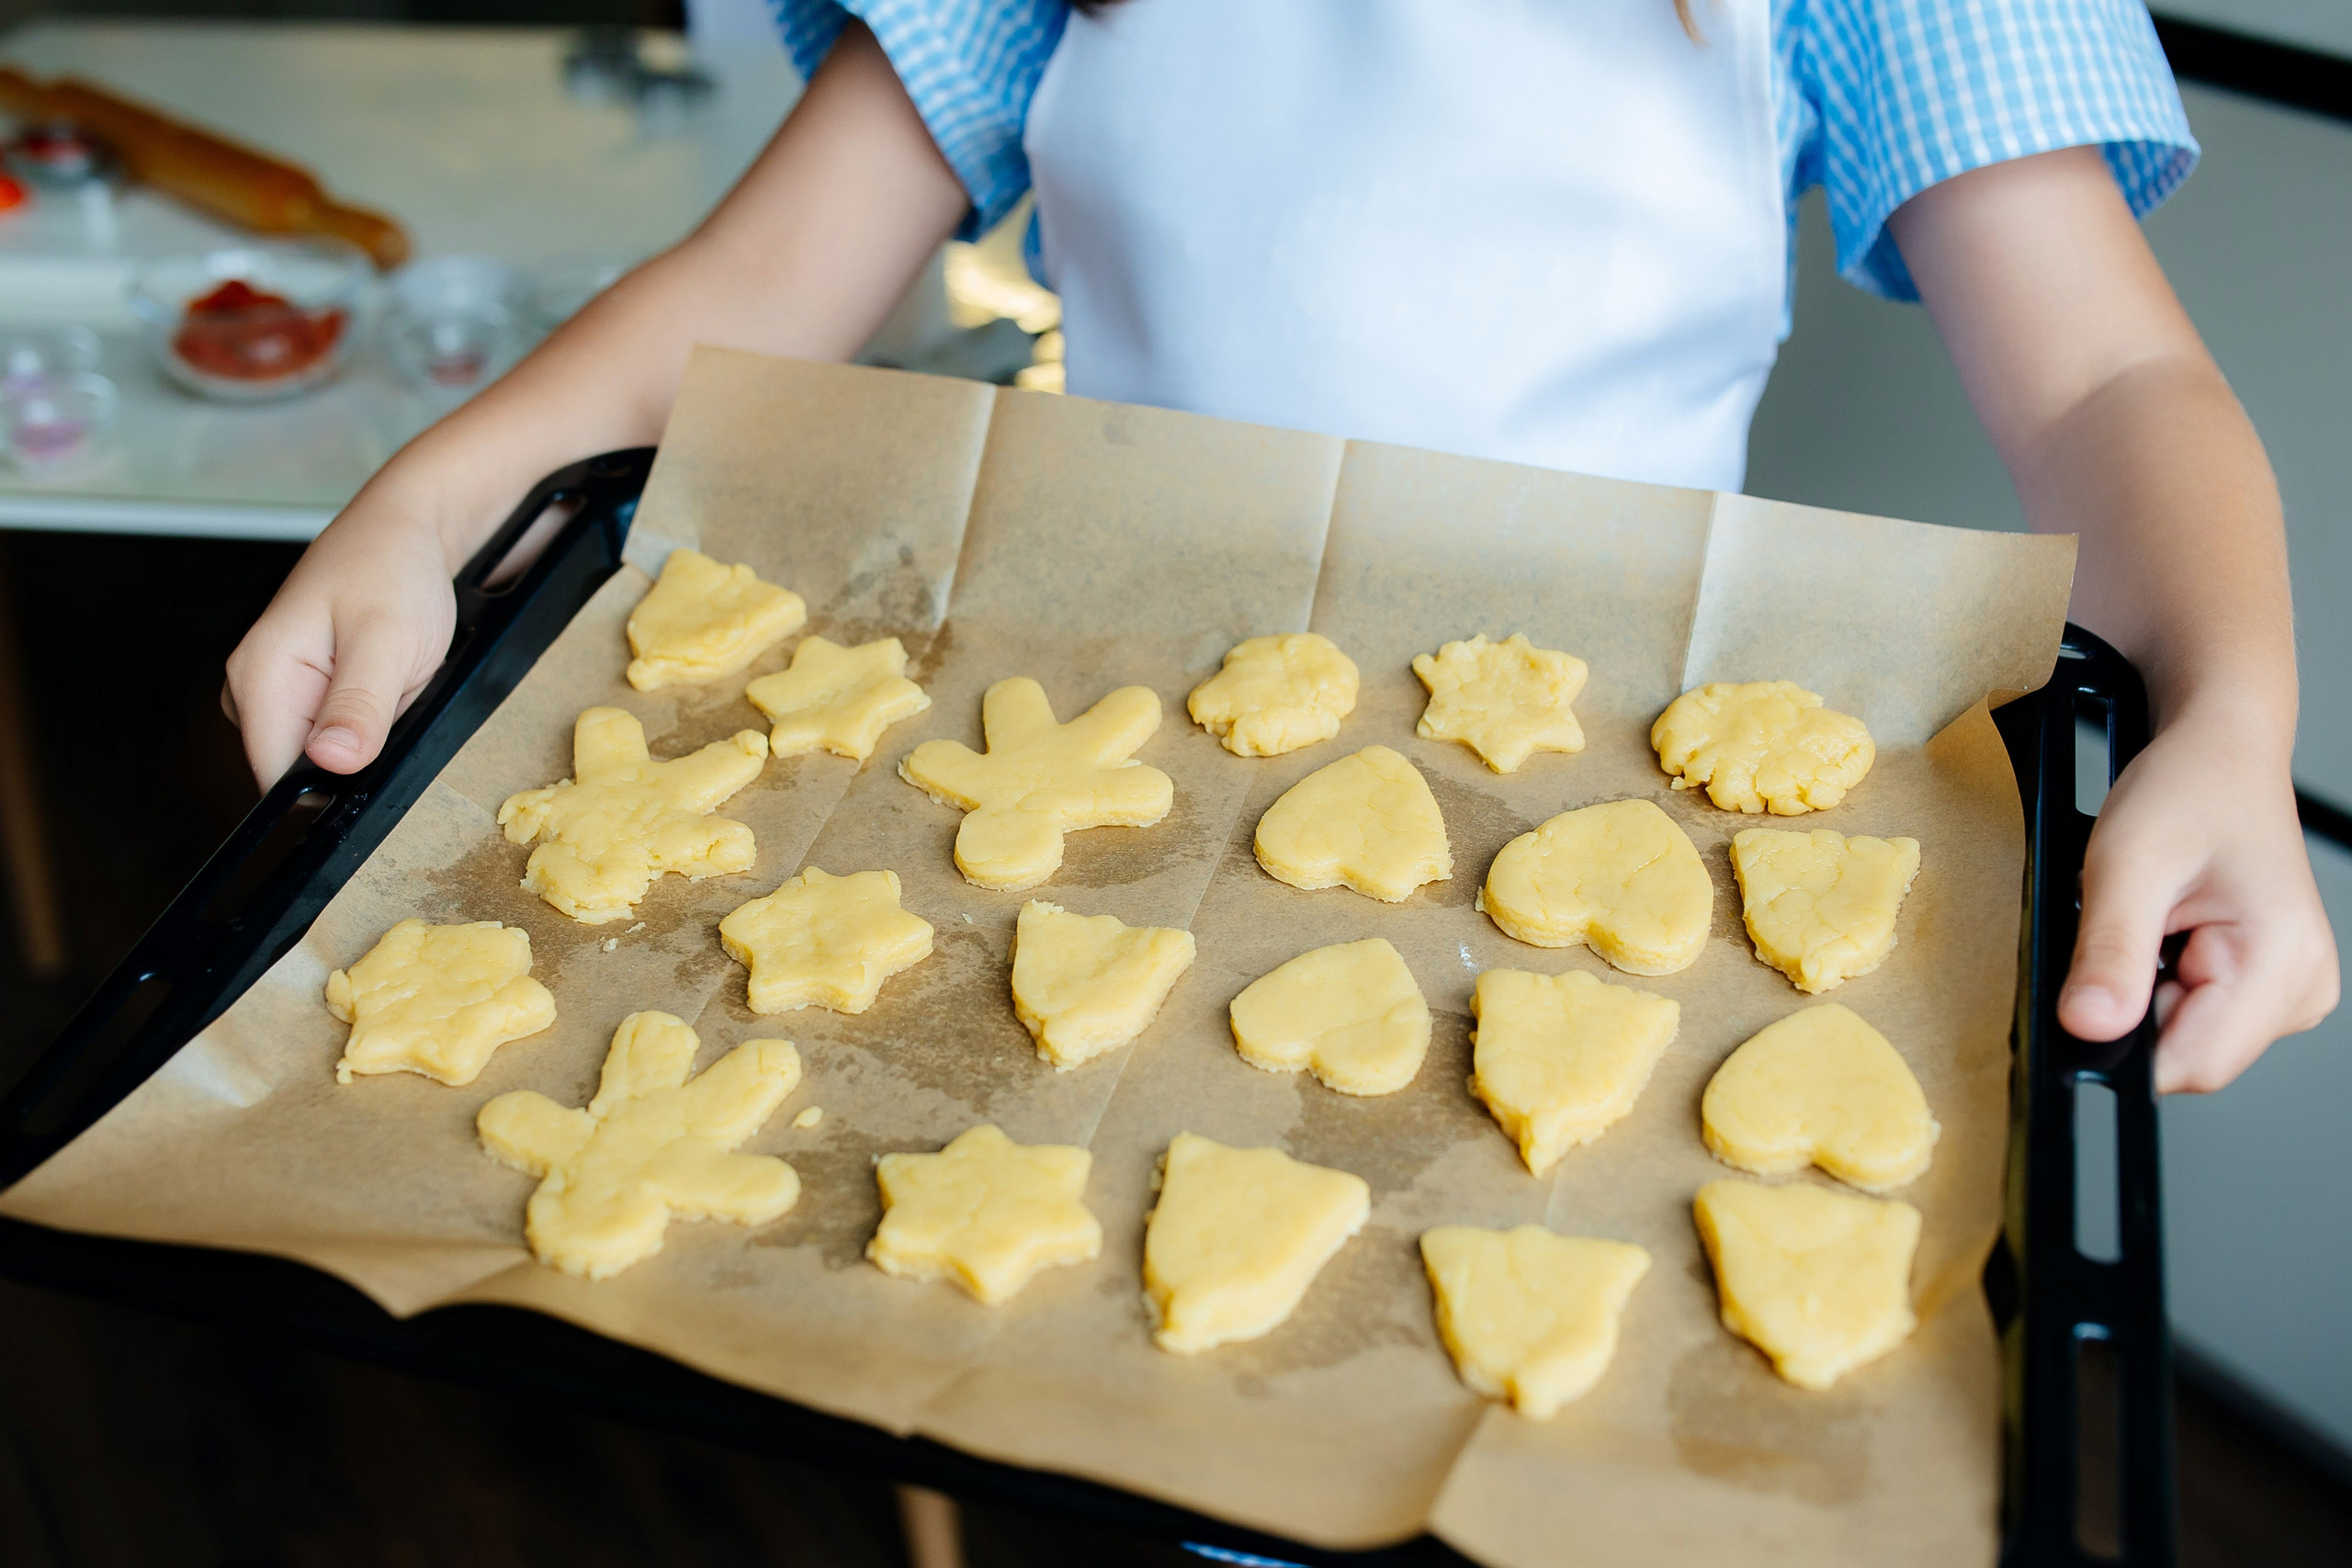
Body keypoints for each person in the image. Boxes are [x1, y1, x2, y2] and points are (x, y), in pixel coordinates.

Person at [223, 0, 2336, 1094]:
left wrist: (2229, 714)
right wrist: (430, 497)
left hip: (1596, 819)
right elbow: (764, 274)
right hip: (1096, 804)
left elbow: (2098, 390)